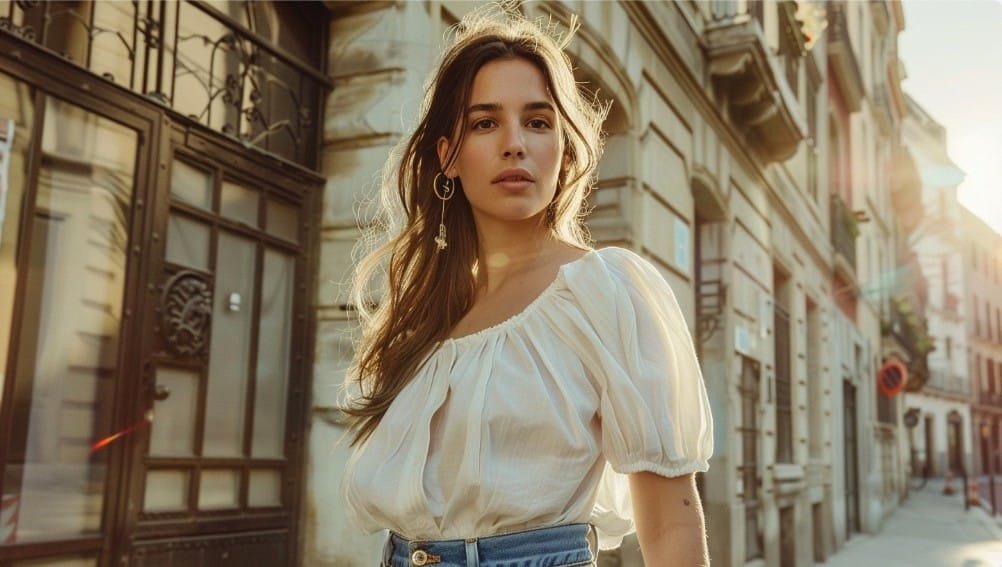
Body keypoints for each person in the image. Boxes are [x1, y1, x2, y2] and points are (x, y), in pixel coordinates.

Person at [339, 4, 713, 566]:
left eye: (538, 122)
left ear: (563, 153)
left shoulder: (606, 291)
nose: (514, 143)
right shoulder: (424, 314)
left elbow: (669, 523)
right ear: (448, 157)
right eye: (485, 122)